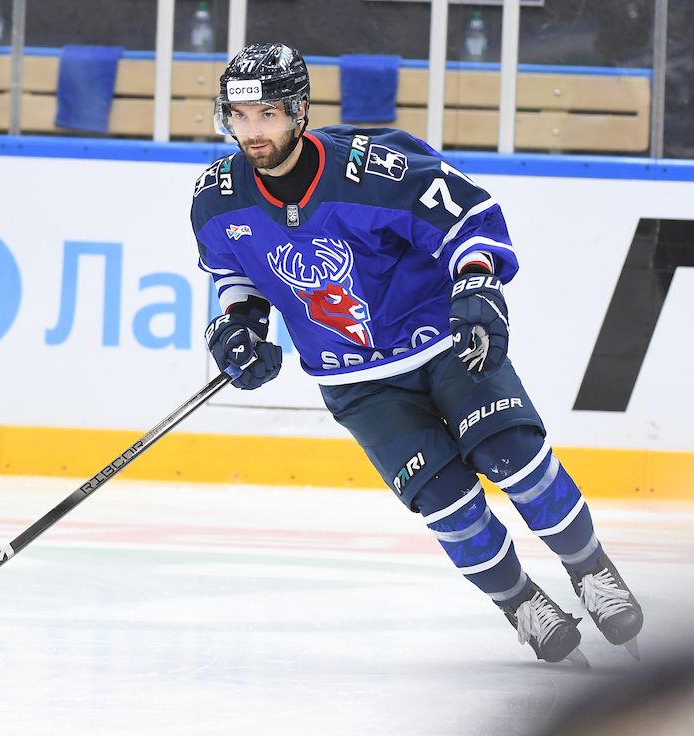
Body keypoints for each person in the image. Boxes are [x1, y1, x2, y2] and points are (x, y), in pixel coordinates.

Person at [192, 42, 644, 664]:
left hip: (443, 342)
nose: (253, 132)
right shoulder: (216, 198)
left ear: (298, 110)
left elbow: (469, 216)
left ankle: (591, 570)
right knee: (448, 504)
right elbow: (233, 271)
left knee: (513, 456)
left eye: (267, 114)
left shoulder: (372, 168)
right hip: (357, 382)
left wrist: (478, 284)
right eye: (239, 117)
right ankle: (520, 603)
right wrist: (240, 324)